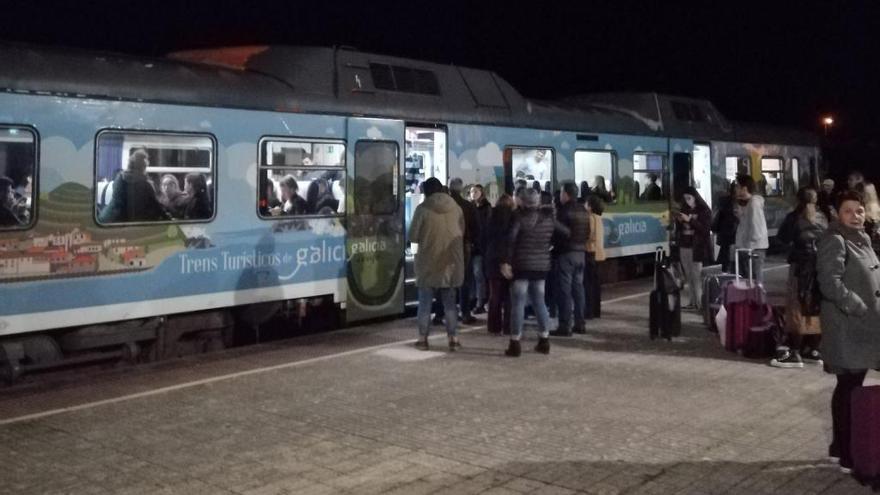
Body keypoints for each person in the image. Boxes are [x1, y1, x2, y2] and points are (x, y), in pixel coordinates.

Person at [817, 190, 880, 474]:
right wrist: (857, 305)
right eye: (848, 211)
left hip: (862, 327)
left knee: (850, 386)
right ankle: (845, 453)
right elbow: (829, 283)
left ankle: (840, 448)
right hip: (848, 326)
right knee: (849, 388)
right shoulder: (835, 239)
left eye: (859, 210)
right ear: (837, 214)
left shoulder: (862, 239)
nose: (855, 216)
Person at [500, 188, 568, 357]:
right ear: (537, 201)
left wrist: (506, 262)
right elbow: (566, 232)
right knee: (540, 302)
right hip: (541, 267)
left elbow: (510, 240)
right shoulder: (548, 217)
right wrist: (550, 246)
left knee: (518, 304)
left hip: (521, 266)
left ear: (521, 201)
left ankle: (515, 343)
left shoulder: (518, 217)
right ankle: (544, 340)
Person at [771, 187, 828, 368]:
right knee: (815, 306)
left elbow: (782, 239)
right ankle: (813, 349)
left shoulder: (794, 217)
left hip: (800, 267)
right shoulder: (823, 217)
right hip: (820, 266)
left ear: (798, 200)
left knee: (795, 307)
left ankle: (794, 351)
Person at [409, 177, 465, 351]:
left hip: (428, 262)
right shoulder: (456, 208)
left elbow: (413, 236)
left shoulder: (422, 209)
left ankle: (423, 339)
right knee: (450, 304)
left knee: (425, 304)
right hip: (450, 263)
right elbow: (462, 231)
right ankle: (453, 339)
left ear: (426, 191)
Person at [549, 182, 590, 336]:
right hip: (581, 253)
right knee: (578, 290)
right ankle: (580, 323)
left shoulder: (563, 211)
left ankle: (565, 325)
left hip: (566, 254)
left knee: (564, 291)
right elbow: (588, 232)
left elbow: (558, 234)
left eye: (561, 193)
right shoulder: (584, 210)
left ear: (565, 194)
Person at [98, 148, 168, 223]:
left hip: (108, 217)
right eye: (145, 166)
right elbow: (156, 206)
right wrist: (168, 218)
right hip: (125, 222)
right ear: (142, 167)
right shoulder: (145, 185)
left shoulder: (120, 177)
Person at [674, 187, 713, 310]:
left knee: (696, 276)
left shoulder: (704, 210)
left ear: (695, 197)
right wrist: (679, 221)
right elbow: (680, 229)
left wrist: (690, 220)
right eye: (685, 199)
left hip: (697, 247)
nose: (687, 201)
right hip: (684, 245)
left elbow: (705, 229)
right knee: (689, 276)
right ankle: (692, 302)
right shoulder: (684, 209)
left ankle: (700, 303)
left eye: (689, 198)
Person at [449, 177, 480, 324]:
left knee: (447, 280)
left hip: (446, 246)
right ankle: (465, 312)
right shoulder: (467, 206)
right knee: (464, 280)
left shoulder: (446, 205)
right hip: (463, 245)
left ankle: (444, 312)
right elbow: (475, 227)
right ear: (461, 189)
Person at [484, 194, 515, 335]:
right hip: (509, 259)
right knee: (509, 295)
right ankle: (508, 326)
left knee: (494, 294)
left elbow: (483, 237)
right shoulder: (514, 218)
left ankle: (493, 326)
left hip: (492, 259)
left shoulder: (491, 218)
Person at [733, 174, 768, 284]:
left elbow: (756, 228)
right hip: (747, 247)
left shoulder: (754, 203)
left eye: (737, 186)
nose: (735, 189)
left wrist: (749, 243)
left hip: (753, 248)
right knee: (749, 280)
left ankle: (757, 300)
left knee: (755, 281)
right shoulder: (747, 203)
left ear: (744, 188)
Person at [470, 184, 492, 314]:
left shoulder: (486, 208)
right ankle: (475, 299)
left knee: (478, 274)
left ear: (481, 193)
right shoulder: (471, 207)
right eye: (471, 191)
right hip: (474, 246)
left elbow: (485, 228)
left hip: (480, 247)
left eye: (476, 191)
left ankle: (480, 301)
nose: (473, 194)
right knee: (474, 275)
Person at [584, 194, 606, 319]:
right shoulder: (599, 218)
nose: (584, 206)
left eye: (586, 204)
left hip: (590, 252)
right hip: (599, 254)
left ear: (590, 207)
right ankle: (596, 310)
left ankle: (589, 311)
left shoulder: (590, 218)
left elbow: (590, 235)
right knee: (596, 285)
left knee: (588, 285)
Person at [712, 181, 739, 272]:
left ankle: (722, 272)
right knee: (730, 257)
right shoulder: (734, 203)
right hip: (732, 234)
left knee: (724, 255)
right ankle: (729, 275)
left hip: (724, 233)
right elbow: (733, 219)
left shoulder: (723, 201)